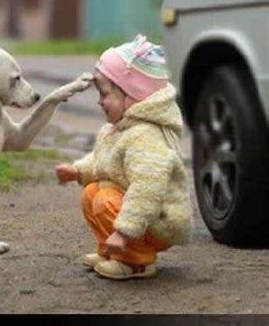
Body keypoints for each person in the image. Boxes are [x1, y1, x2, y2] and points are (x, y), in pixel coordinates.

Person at [55, 34, 193, 280]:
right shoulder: (118, 128)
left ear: (132, 96)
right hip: (138, 212)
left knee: (105, 199)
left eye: (105, 95)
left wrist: (125, 231)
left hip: (159, 219)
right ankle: (111, 252)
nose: (99, 102)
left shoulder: (146, 136)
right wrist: (77, 171)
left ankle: (137, 261)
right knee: (91, 192)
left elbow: (147, 189)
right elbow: (103, 160)